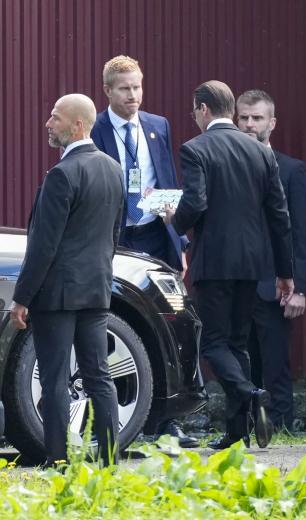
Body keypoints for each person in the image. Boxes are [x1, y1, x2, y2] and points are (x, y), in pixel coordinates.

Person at [163, 81, 294, 450]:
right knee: (238, 345)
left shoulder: (195, 149)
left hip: (215, 262)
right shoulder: (260, 152)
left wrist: (175, 218)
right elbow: (280, 216)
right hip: (254, 264)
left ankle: (250, 392)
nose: (193, 118)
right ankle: (238, 432)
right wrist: (285, 274)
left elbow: (196, 203)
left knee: (214, 345)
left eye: (194, 111)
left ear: (204, 109)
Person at [10, 94, 124, 466]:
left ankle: (56, 460)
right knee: (99, 377)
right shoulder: (112, 169)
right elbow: (113, 235)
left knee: (55, 380)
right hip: (96, 291)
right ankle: (109, 459)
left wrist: (22, 297)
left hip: (57, 296)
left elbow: (43, 245)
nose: (48, 123)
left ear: (78, 125)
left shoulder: (62, 174)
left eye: (55, 118)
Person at [90, 55, 198, 448]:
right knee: (123, 322)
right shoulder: (96, 128)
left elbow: (165, 179)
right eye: (124, 88)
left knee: (168, 324)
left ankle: (167, 423)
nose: (133, 95)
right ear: (107, 91)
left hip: (155, 235)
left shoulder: (157, 126)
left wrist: (179, 241)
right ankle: (122, 416)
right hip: (118, 240)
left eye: (137, 87)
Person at [236, 90, 306, 432]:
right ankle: (246, 424)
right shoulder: (227, 165)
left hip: (276, 285)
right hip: (237, 283)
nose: (250, 124)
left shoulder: (292, 170)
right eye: (244, 117)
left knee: (276, 362)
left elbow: (303, 235)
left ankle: (282, 423)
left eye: (257, 118)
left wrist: (300, 287)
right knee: (240, 361)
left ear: (272, 123)